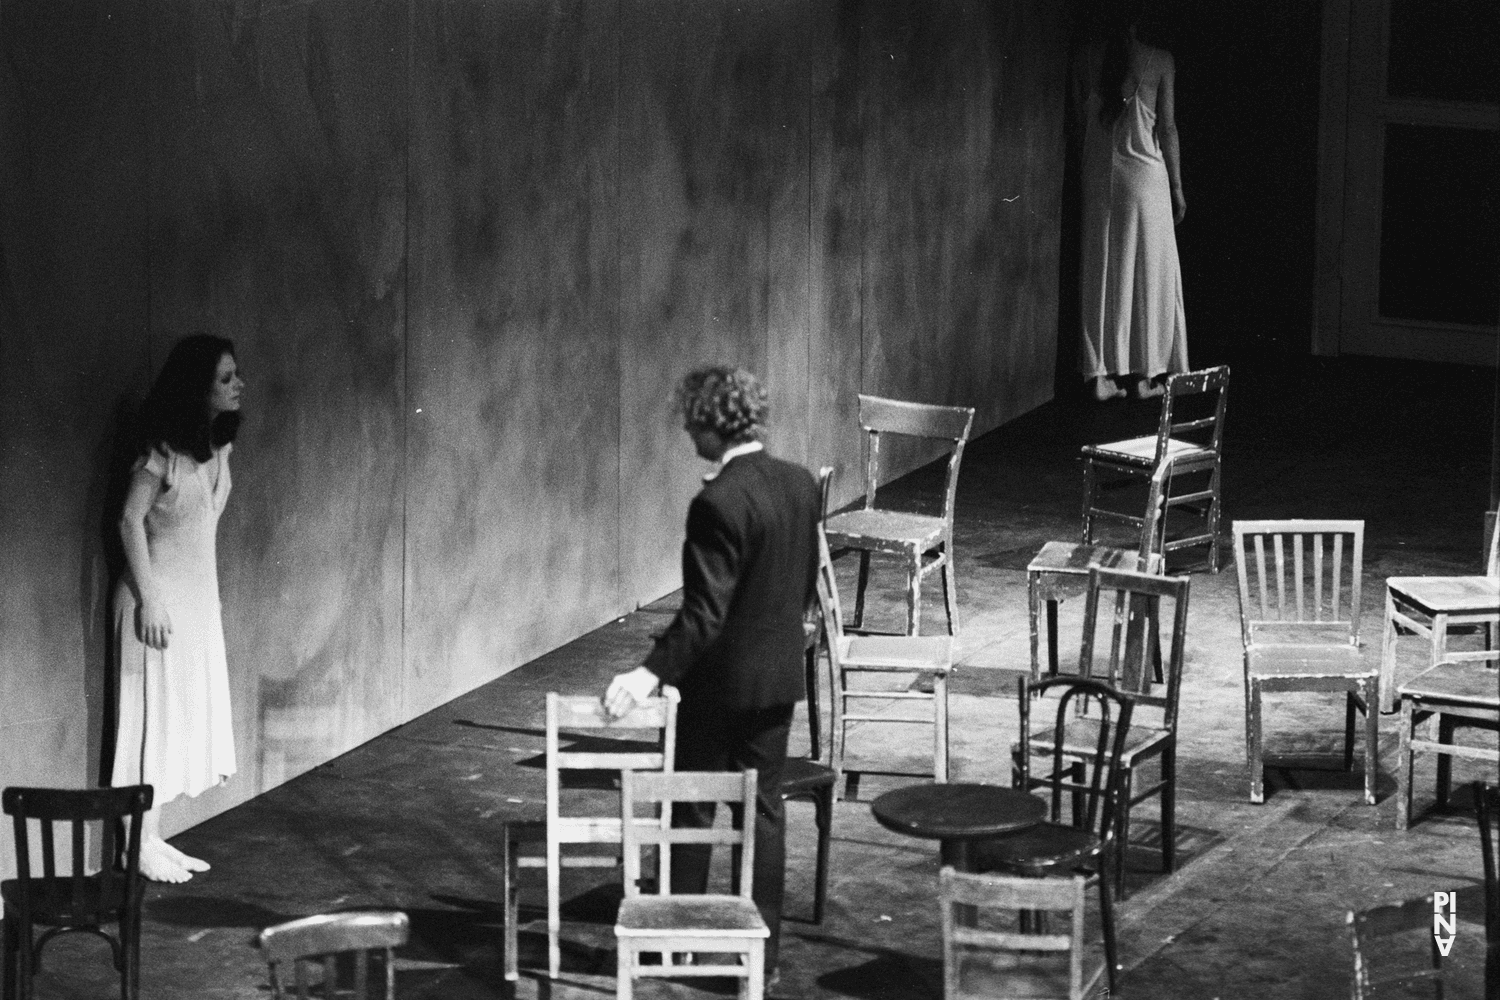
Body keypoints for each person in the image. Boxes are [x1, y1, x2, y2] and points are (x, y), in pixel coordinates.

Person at [604, 365, 820, 983]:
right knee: (764, 812)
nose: (685, 431)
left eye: (690, 421)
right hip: (778, 680)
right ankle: (764, 960)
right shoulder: (800, 483)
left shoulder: (717, 502)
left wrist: (646, 675)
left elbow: (704, 614)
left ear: (710, 423)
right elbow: (802, 584)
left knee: (692, 811)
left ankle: (678, 944)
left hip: (719, 689)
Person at [111, 334, 244, 883]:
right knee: (146, 723)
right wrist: (150, 599)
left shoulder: (217, 450)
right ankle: (133, 846)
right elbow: (129, 520)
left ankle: (151, 837)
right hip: (154, 606)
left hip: (195, 607)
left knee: (174, 723)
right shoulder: (161, 452)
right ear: (197, 387)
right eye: (225, 378)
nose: (238, 385)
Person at [1075, 1, 1188, 401]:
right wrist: (1177, 187)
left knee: (1102, 272)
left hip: (1099, 177)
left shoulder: (1085, 57)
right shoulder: (1161, 60)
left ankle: (1099, 376)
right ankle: (1144, 376)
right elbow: (1168, 128)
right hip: (1145, 180)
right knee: (1148, 274)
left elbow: (1081, 122)